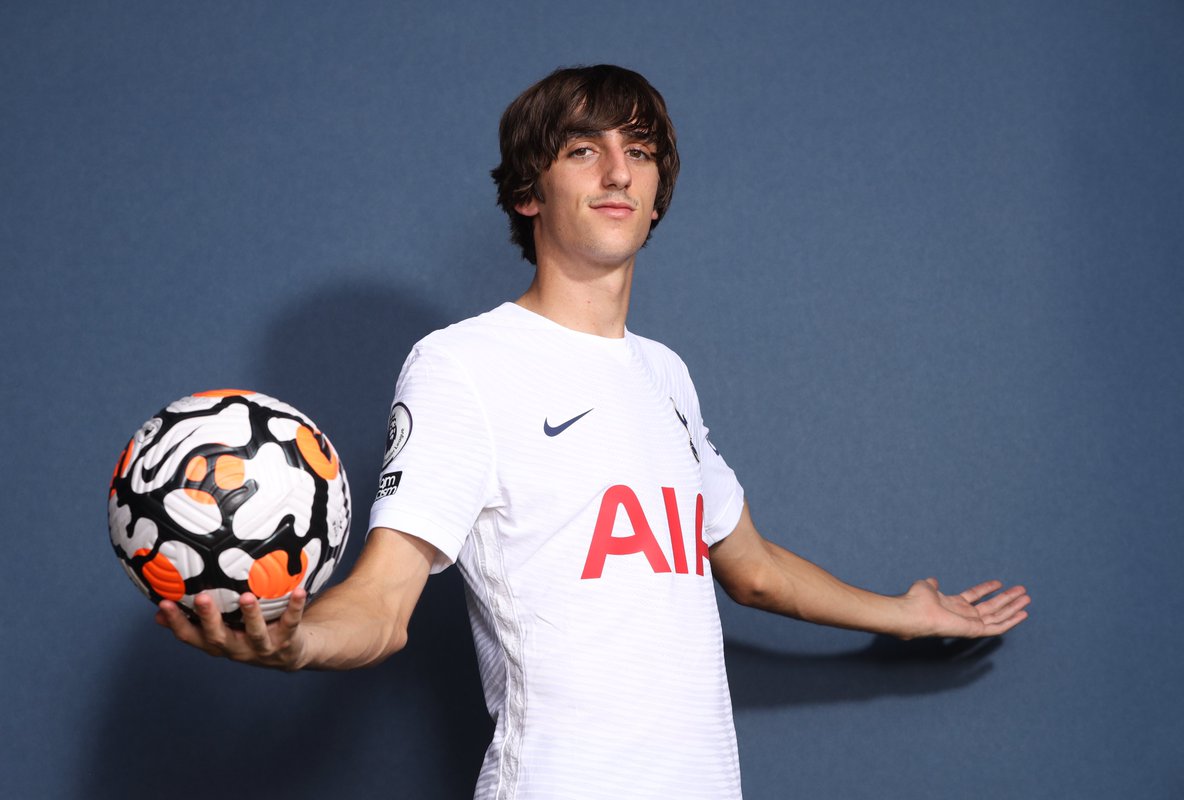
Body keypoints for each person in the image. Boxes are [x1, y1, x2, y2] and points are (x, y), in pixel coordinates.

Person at [157, 64, 1030, 799]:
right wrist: (300, 640)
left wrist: (905, 614)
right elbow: (384, 603)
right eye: (584, 150)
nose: (617, 171)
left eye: (638, 152)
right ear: (528, 194)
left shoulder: (666, 374)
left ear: (656, 198)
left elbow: (754, 570)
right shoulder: (463, 364)